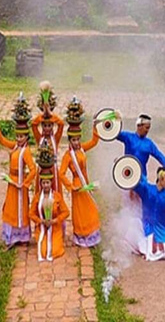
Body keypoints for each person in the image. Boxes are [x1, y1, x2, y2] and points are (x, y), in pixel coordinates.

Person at [0, 94, 37, 248]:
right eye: (17, 136)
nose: (19, 139)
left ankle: (23, 237)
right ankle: (11, 236)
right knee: (11, 209)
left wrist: (24, 183)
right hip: (11, 183)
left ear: (27, 137)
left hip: (20, 184)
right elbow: (4, 141)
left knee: (22, 209)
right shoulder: (15, 147)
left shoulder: (26, 151)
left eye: (22, 136)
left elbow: (33, 169)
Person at [59, 97, 101, 247]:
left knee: (91, 209)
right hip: (78, 186)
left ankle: (91, 235)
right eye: (73, 140)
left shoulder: (82, 148)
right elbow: (61, 173)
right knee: (80, 212)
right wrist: (70, 185)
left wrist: (95, 126)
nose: (76, 142)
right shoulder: (67, 156)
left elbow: (95, 142)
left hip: (86, 183)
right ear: (69, 141)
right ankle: (81, 235)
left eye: (77, 139)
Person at [29, 146, 70, 262]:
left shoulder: (56, 196)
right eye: (43, 183)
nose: (46, 185)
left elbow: (66, 212)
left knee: (54, 251)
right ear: (41, 183)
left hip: (54, 227)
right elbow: (31, 214)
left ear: (51, 183)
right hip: (42, 227)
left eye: (48, 182)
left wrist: (54, 221)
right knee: (42, 251)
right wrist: (40, 221)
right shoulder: (37, 197)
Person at [114, 113, 165, 178]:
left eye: (149, 128)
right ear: (139, 126)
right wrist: (113, 120)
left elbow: (160, 156)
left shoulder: (149, 144)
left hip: (141, 177)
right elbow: (113, 133)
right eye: (146, 127)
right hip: (128, 175)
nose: (147, 130)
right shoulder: (128, 137)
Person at [31, 81, 64, 191]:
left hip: (53, 170)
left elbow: (61, 124)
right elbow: (34, 124)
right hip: (42, 171)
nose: (47, 128)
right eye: (44, 125)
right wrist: (43, 114)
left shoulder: (56, 138)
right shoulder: (39, 138)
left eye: (49, 125)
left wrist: (50, 114)